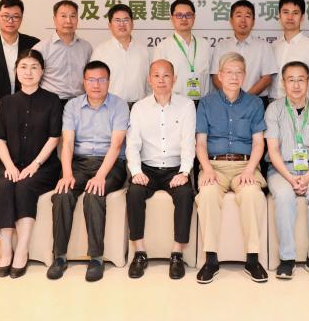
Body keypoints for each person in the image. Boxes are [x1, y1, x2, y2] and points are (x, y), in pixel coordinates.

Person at [47, 61, 129, 282]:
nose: (96, 85)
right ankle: (59, 257)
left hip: (110, 163)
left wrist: (100, 176)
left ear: (109, 82)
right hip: (79, 163)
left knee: (94, 193)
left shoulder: (119, 105)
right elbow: (67, 143)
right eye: (91, 80)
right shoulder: (72, 106)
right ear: (83, 82)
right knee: (62, 193)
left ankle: (96, 258)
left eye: (101, 80)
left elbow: (116, 145)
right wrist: (67, 174)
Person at [194, 52, 268, 284]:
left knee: (252, 194)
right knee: (207, 194)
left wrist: (249, 170)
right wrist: (207, 169)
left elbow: (258, 143)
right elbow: (200, 143)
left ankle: (252, 259)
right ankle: (211, 259)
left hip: (245, 165)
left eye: (239, 72)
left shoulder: (255, 103)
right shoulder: (206, 103)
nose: (234, 77)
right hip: (214, 165)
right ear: (220, 75)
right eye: (229, 72)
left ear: (245, 76)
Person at [0, 50, 63, 278]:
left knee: (24, 186)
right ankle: (6, 250)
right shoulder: (5, 102)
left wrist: (35, 165)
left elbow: (54, 137)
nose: (28, 72)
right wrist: (10, 166)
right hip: (8, 163)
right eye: (23, 67)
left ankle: (22, 249)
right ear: (16, 71)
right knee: (3, 186)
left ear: (42, 71)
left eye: (34, 67)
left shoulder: (52, 101)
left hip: (43, 165)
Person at [126, 60, 196, 280]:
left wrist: (184, 172)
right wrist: (136, 171)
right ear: (149, 79)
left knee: (185, 194)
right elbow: (132, 144)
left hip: (175, 168)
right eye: (156, 75)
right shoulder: (139, 108)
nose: (161, 80)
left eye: (166, 76)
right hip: (147, 168)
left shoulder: (187, 105)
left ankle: (177, 253)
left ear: (174, 79)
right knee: (134, 193)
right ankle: (139, 252)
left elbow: (188, 142)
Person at [265, 61, 309, 280]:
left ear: (308, 82)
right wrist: (291, 178)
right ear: (283, 83)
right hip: (281, 169)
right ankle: (287, 259)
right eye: (291, 80)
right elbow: (273, 150)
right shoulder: (274, 109)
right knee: (284, 196)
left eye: (301, 79)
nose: (296, 85)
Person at [209, 0, 277, 98]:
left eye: (248, 16)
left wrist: (245, 99)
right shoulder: (221, 46)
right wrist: (230, 96)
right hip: (226, 100)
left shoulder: (264, 46)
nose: (243, 20)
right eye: (239, 15)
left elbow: (267, 78)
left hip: (256, 100)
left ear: (253, 21)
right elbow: (216, 77)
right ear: (231, 20)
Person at [31, 0, 92, 105]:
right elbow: (33, 79)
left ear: (77, 19)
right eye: (63, 16)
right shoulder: (41, 48)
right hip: (50, 103)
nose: (68, 21)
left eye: (73, 16)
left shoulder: (86, 47)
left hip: (80, 102)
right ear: (55, 19)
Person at [153, 0, 213, 103]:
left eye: (188, 15)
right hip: (175, 104)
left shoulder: (204, 45)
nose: (184, 19)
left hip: (202, 104)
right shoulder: (163, 47)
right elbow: (157, 80)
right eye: (179, 15)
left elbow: (210, 78)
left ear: (194, 17)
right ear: (172, 18)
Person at [271, 0, 309, 106]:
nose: (290, 17)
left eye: (295, 13)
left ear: (302, 17)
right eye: (286, 12)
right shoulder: (273, 46)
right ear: (279, 15)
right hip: (273, 106)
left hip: (301, 108)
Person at [90, 3, 149, 106]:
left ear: (132, 24)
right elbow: (93, 83)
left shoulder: (144, 51)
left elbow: (150, 83)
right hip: (111, 106)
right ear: (110, 25)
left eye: (126, 20)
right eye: (117, 20)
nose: (122, 24)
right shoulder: (101, 51)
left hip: (139, 107)